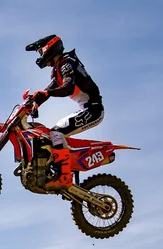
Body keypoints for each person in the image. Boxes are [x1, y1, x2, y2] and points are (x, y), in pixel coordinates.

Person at [26, 34, 104, 190]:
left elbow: (67, 87)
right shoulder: (60, 66)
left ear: (49, 48)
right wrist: (34, 104)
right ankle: (56, 168)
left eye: (41, 52)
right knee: (50, 133)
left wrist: (46, 94)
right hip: (87, 108)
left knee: (56, 133)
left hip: (93, 109)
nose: (41, 57)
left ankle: (64, 176)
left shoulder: (66, 64)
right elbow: (49, 90)